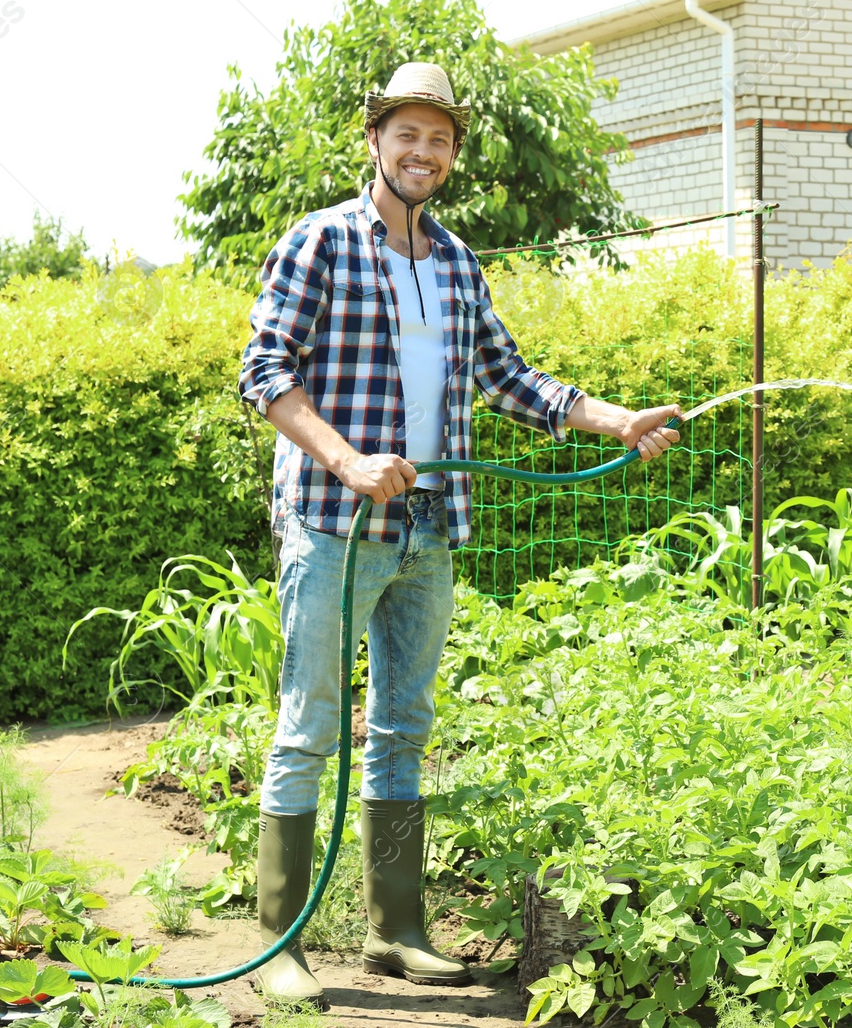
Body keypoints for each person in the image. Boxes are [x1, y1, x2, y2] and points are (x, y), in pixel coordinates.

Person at [237, 62, 681, 1007]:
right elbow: (266, 372)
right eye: (407, 134)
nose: (423, 153)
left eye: (439, 139)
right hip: (335, 524)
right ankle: (279, 943)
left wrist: (617, 419)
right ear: (375, 142)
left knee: (403, 729)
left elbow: (509, 377)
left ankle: (395, 928)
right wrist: (348, 459)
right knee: (309, 727)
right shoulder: (318, 243)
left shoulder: (455, 260)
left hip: (429, 528)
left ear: (451, 154)